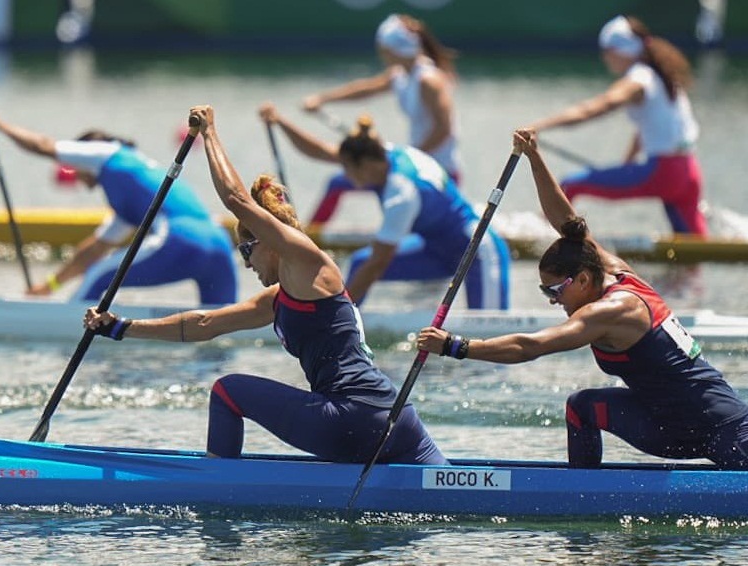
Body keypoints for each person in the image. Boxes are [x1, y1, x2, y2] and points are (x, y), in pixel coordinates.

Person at [84, 104, 447, 466]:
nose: (244, 262)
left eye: (246, 249)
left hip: (349, 417)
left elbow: (236, 200)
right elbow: (205, 324)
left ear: (265, 241)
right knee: (452, 487)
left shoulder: (308, 261)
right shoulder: (282, 295)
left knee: (227, 391)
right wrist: (121, 327)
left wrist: (210, 132)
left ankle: (215, 486)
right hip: (397, 418)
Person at [416, 129, 748, 472]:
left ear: (581, 279)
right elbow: (566, 221)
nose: (552, 300)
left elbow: (530, 346)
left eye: (554, 291)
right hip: (667, 425)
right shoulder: (602, 266)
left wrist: (456, 346)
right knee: (583, 407)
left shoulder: (612, 310)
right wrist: (533, 156)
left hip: (720, 424)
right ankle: (582, 494)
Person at [0, 107, 238, 304]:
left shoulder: (105, 153)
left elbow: (44, 146)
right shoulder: (129, 191)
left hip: (180, 238)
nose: (74, 174)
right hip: (220, 244)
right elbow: (95, 249)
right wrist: (50, 286)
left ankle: (71, 325)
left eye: (73, 166)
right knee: (222, 326)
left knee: (100, 276)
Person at [260, 104, 510, 310]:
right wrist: (280, 121)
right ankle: (347, 315)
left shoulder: (401, 192)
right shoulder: (384, 154)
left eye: (348, 169)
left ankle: (341, 314)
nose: (345, 175)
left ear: (366, 165)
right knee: (360, 261)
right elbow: (321, 151)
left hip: (477, 251)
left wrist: (336, 315)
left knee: (490, 342)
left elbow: (378, 264)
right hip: (436, 251)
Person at [527, 15, 707, 237]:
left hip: (662, 173)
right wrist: (628, 164)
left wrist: (539, 125)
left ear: (622, 50)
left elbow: (599, 106)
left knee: (570, 184)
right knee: (693, 242)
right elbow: (649, 127)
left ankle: (548, 241)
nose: (605, 57)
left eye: (607, 50)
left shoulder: (639, 79)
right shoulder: (661, 77)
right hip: (689, 172)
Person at [301, 13, 461, 229]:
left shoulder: (429, 81)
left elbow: (444, 129)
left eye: (382, 49)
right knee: (337, 183)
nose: (380, 53)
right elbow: (364, 89)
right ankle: (311, 236)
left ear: (393, 50)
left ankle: (308, 238)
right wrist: (323, 99)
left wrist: (410, 157)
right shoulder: (401, 74)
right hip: (415, 166)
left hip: (438, 172)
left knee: (338, 183)